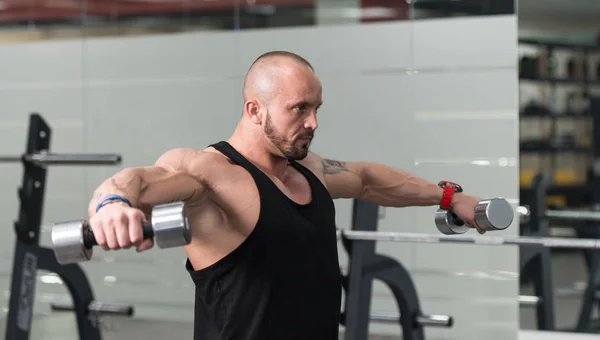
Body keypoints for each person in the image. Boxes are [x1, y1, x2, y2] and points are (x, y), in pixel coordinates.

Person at [87, 51, 485, 340]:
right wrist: (112, 206)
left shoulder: (307, 169)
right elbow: (139, 178)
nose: (313, 122)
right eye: (299, 109)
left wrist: (447, 197)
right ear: (255, 109)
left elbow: (366, 179)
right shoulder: (210, 174)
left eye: (316, 108)